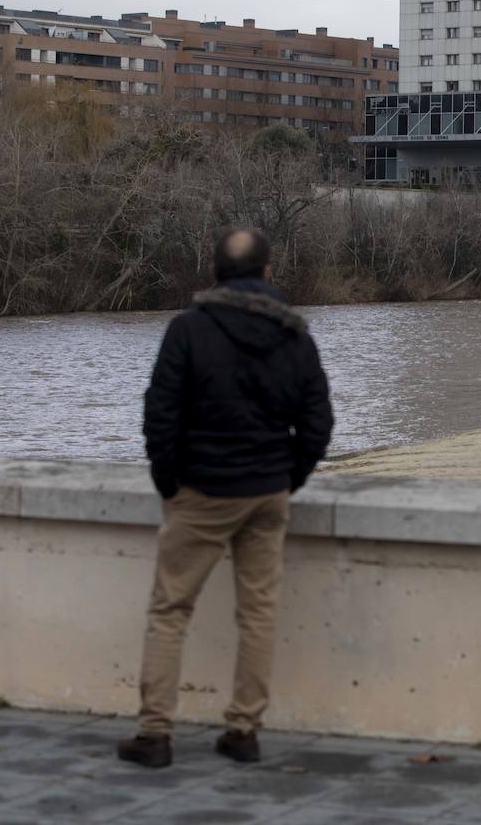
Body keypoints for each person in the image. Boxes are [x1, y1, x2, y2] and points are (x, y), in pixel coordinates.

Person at [118, 227, 334, 769]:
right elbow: (318, 422)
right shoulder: (294, 335)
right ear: (267, 273)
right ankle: (243, 731)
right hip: (266, 491)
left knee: (170, 611)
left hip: (202, 491)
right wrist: (288, 476)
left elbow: (159, 413)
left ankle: (156, 735)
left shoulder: (188, 330)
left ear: (215, 273)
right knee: (258, 614)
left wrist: (170, 482)